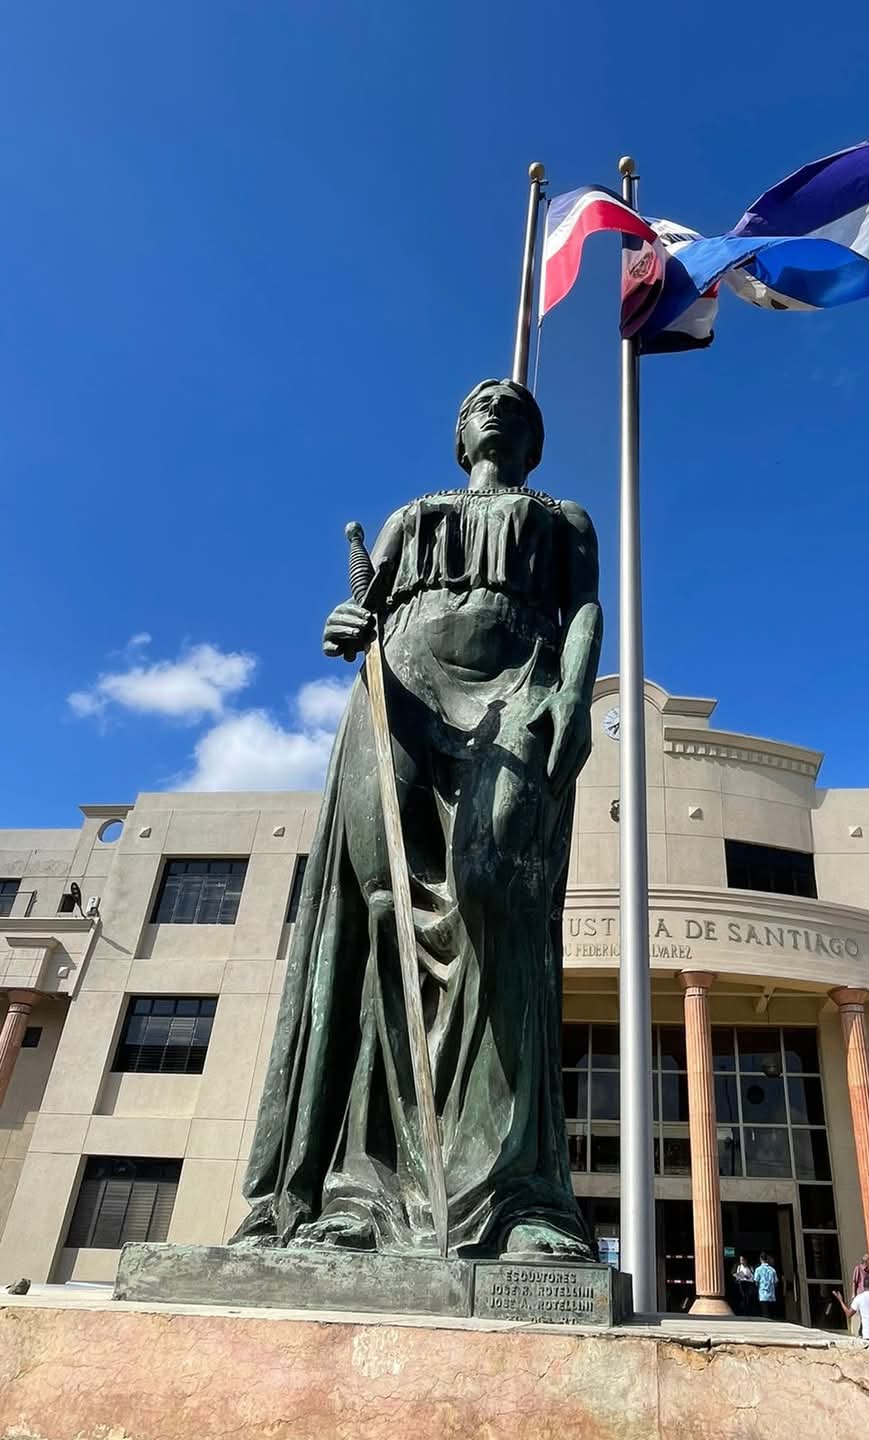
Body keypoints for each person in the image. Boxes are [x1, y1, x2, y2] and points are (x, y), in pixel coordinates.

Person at [232, 379, 604, 1258]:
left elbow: (584, 608)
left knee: (496, 902)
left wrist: (575, 693)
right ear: (459, 436)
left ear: (535, 443)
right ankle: (359, 1195)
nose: (497, 403)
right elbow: (369, 614)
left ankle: (512, 1197)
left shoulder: (564, 519)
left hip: (520, 691)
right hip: (400, 693)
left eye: (514, 403)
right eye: (480, 401)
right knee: (380, 919)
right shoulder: (411, 518)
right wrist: (344, 622)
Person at [754, 1252, 780, 1319]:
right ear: (767, 1259)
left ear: (760, 1259)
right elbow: (776, 1282)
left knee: (765, 1313)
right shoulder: (772, 1270)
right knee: (772, 1314)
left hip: (763, 1294)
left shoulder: (758, 1269)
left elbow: (756, 1282)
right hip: (771, 1295)